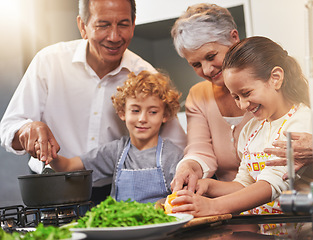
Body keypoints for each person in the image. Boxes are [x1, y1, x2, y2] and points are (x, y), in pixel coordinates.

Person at [0, 0, 186, 202]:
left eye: (123, 24)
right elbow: (10, 126)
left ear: (133, 25)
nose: (114, 36)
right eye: (103, 25)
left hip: (111, 194)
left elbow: (176, 146)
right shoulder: (49, 61)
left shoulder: (145, 76)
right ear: (83, 26)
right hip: (52, 186)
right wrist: (27, 129)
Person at [170, 3, 313, 193]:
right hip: (235, 204)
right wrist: (188, 167)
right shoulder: (198, 95)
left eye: (211, 56)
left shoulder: (282, 84)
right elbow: (199, 150)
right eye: (196, 64)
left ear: (234, 37)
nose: (206, 70)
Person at [171, 36, 313, 235]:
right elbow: (244, 184)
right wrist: (207, 186)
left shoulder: (300, 121)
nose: (242, 105)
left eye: (246, 93)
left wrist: (212, 207)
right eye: (236, 97)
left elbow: (269, 186)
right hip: (262, 233)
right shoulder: (251, 129)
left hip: (301, 234)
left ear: (275, 78)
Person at [38, 70, 183, 203]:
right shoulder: (116, 151)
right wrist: (50, 153)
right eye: (135, 110)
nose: (142, 118)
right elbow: (68, 166)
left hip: (161, 226)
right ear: (122, 113)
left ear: (165, 115)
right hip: (120, 229)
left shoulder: (172, 155)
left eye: (152, 112)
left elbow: (181, 196)